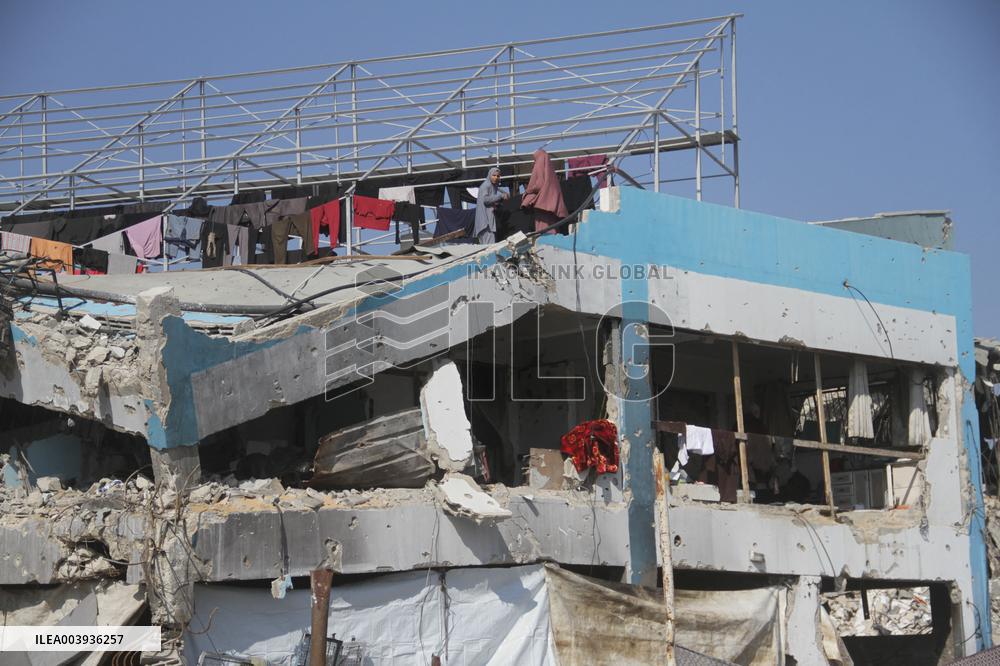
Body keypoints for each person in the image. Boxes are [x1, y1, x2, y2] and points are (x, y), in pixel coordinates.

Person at [474, 167, 508, 244]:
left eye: (498, 176)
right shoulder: (486, 185)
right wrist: (500, 196)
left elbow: (491, 201)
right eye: (494, 175)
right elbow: (485, 200)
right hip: (485, 222)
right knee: (489, 245)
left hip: (488, 221)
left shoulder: (492, 186)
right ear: (489, 175)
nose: (496, 177)